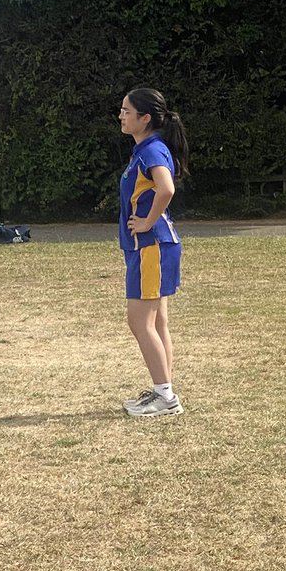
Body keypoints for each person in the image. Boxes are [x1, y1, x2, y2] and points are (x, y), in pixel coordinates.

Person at [118, 86, 189, 417]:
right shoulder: (143, 150)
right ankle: (164, 390)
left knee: (139, 322)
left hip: (153, 247)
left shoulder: (152, 151)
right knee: (157, 322)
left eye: (127, 111)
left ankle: (166, 399)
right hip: (150, 248)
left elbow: (167, 188)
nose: (121, 116)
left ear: (145, 118)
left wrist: (147, 222)